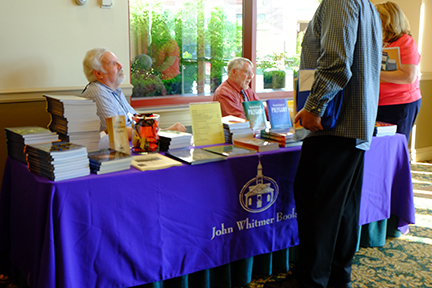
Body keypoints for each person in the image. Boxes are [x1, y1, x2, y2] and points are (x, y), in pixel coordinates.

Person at [264, 1, 382, 288]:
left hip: (333, 124)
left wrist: (314, 106)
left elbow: (335, 63)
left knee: (318, 204)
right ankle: (335, 276)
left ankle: (311, 281)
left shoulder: (338, 1)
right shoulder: (367, 6)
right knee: (342, 208)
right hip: (354, 125)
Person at [82, 48, 186, 140]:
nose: (120, 65)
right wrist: (166, 132)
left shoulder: (115, 91)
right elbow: (117, 131)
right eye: (113, 63)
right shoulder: (97, 92)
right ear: (98, 73)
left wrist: (164, 132)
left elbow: (136, 120)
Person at [375, 1, 422, 142]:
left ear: (388, 20)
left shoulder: (405, 42)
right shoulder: (380, 41)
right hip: (378, 102)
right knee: (380, 145)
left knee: (394, 144)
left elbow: (408, 76)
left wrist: (374, 74)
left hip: (400, 103)